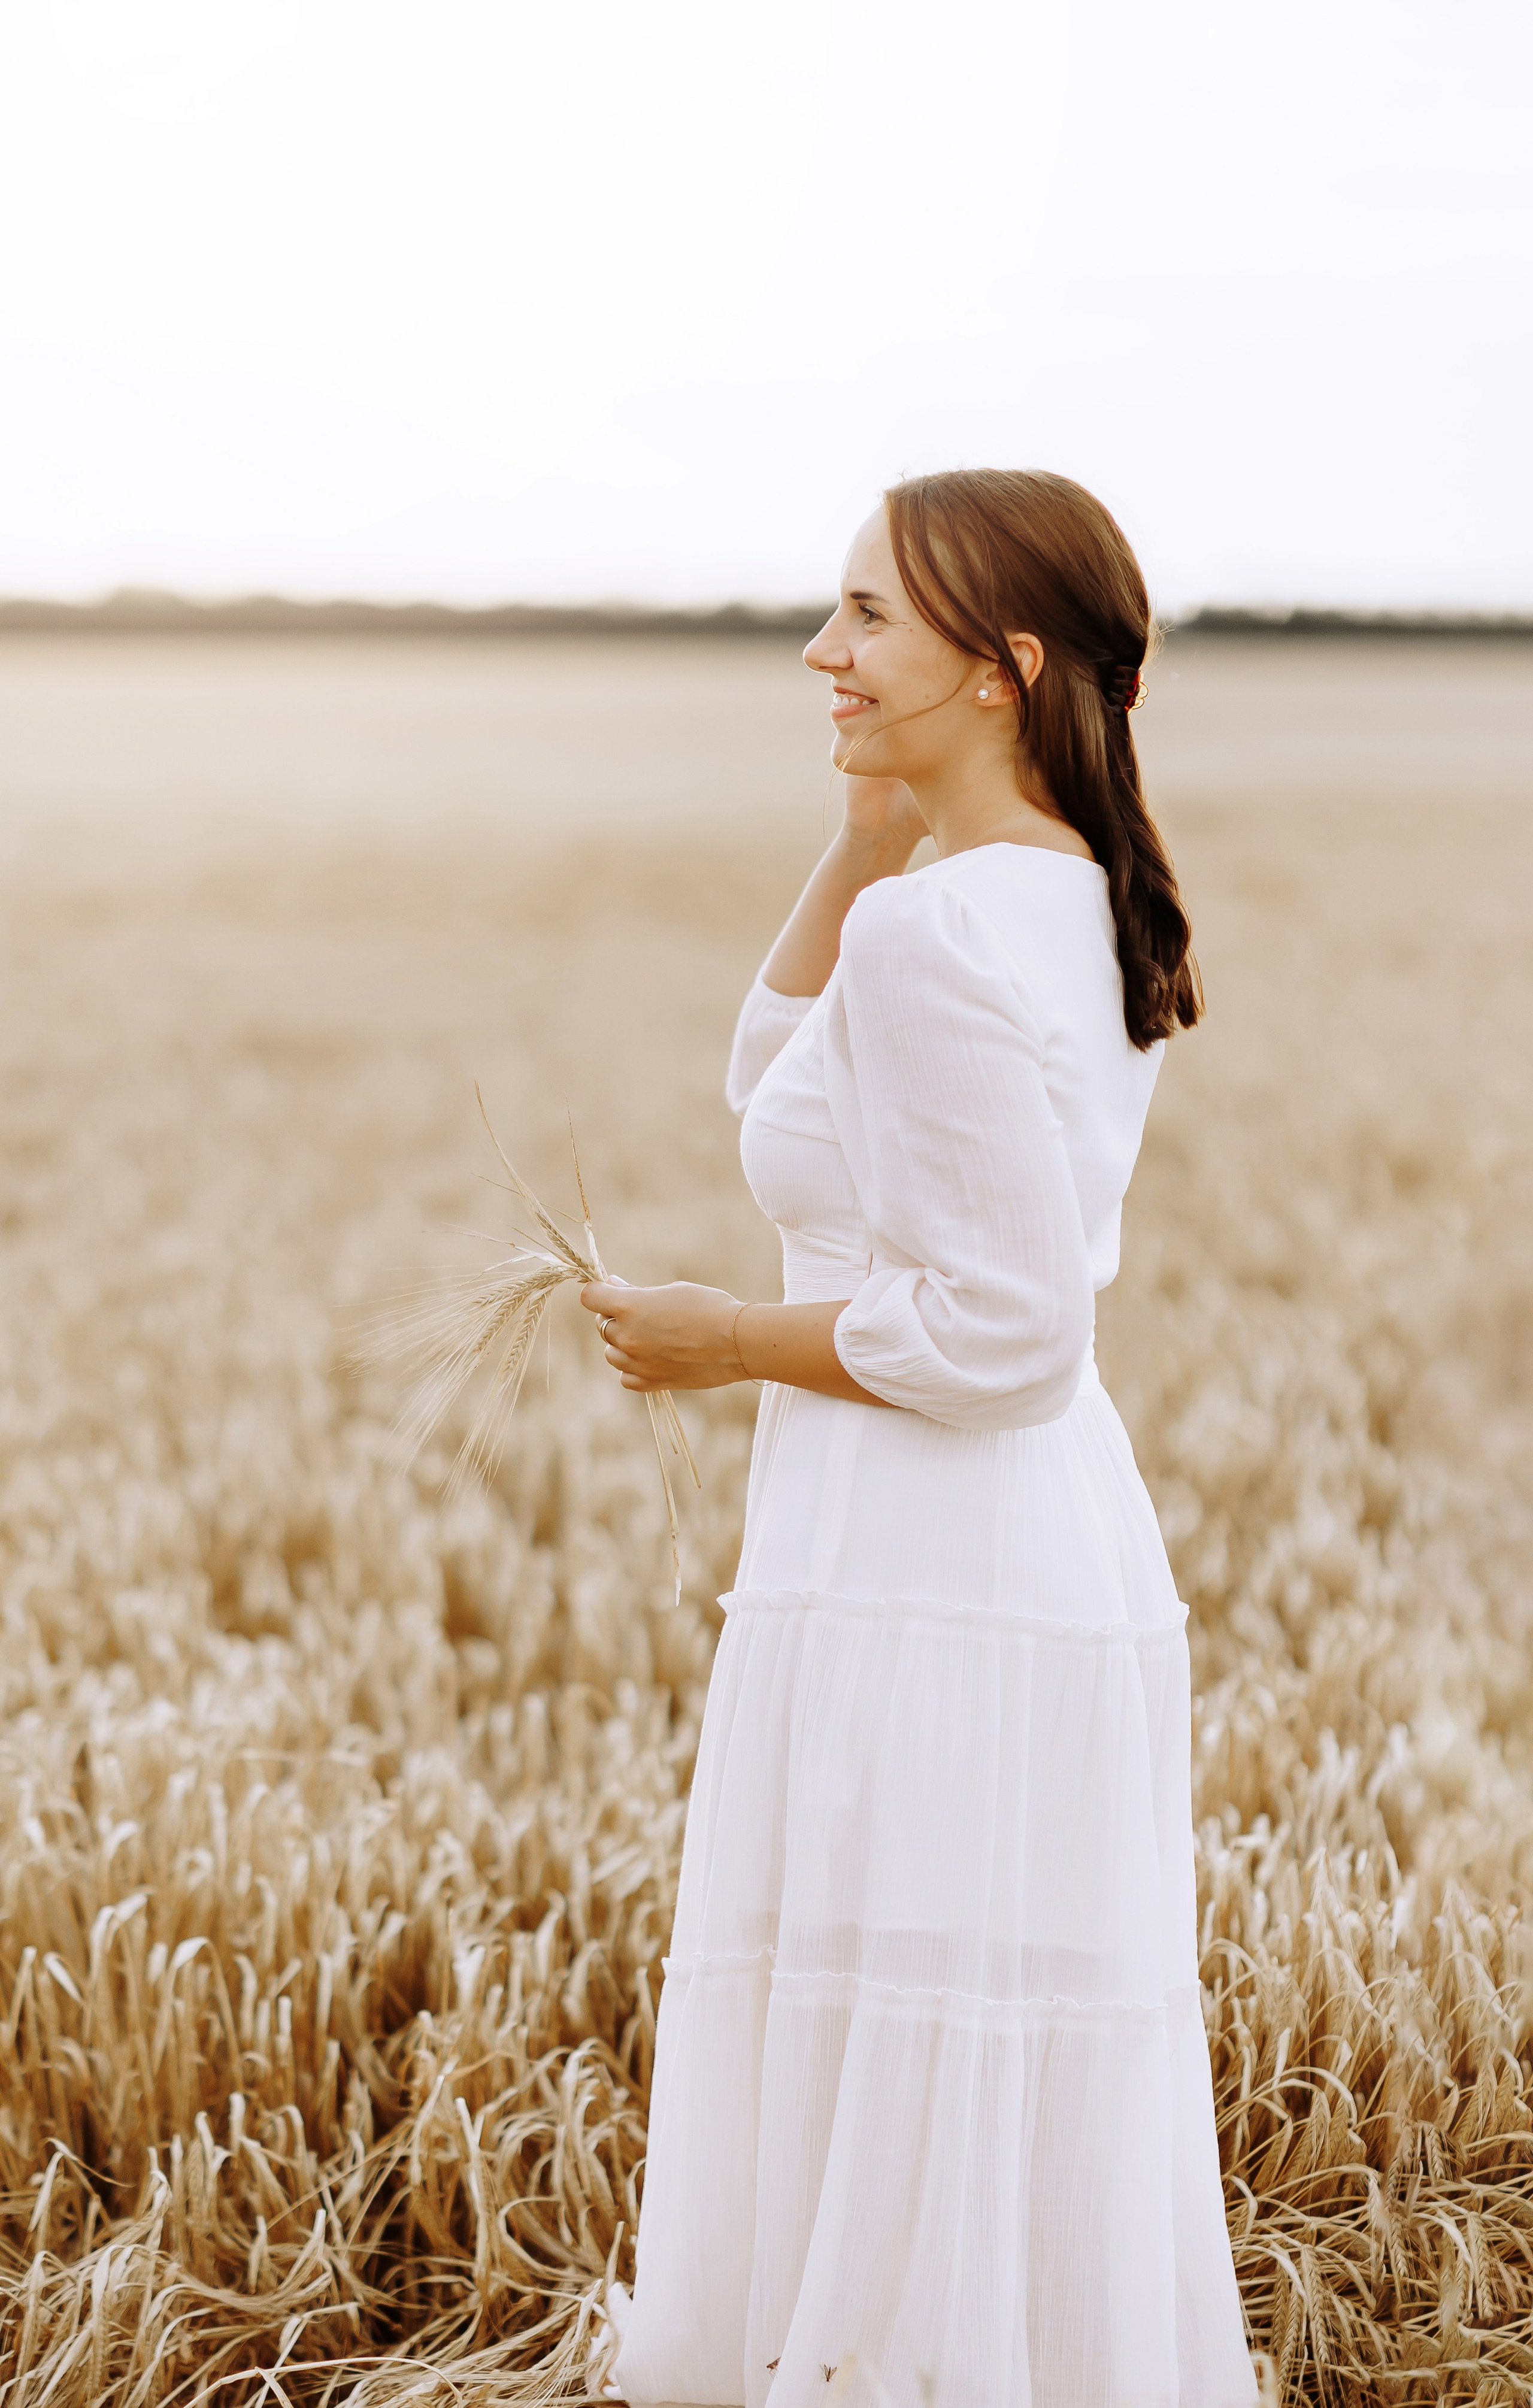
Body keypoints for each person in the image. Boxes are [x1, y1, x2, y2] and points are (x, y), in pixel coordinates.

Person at [581, 470, 1256, 2408]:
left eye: (868, 615)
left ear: (1001, 667)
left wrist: (730, 1343)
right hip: (1005, 1546)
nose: (824, 649)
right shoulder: (1053, 895)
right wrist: (868, 830)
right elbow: (779, 1089)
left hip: (929, 1552)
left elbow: (1009, 1332)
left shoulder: (941, 938)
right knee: (950, 2037)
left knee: (904, 2024)